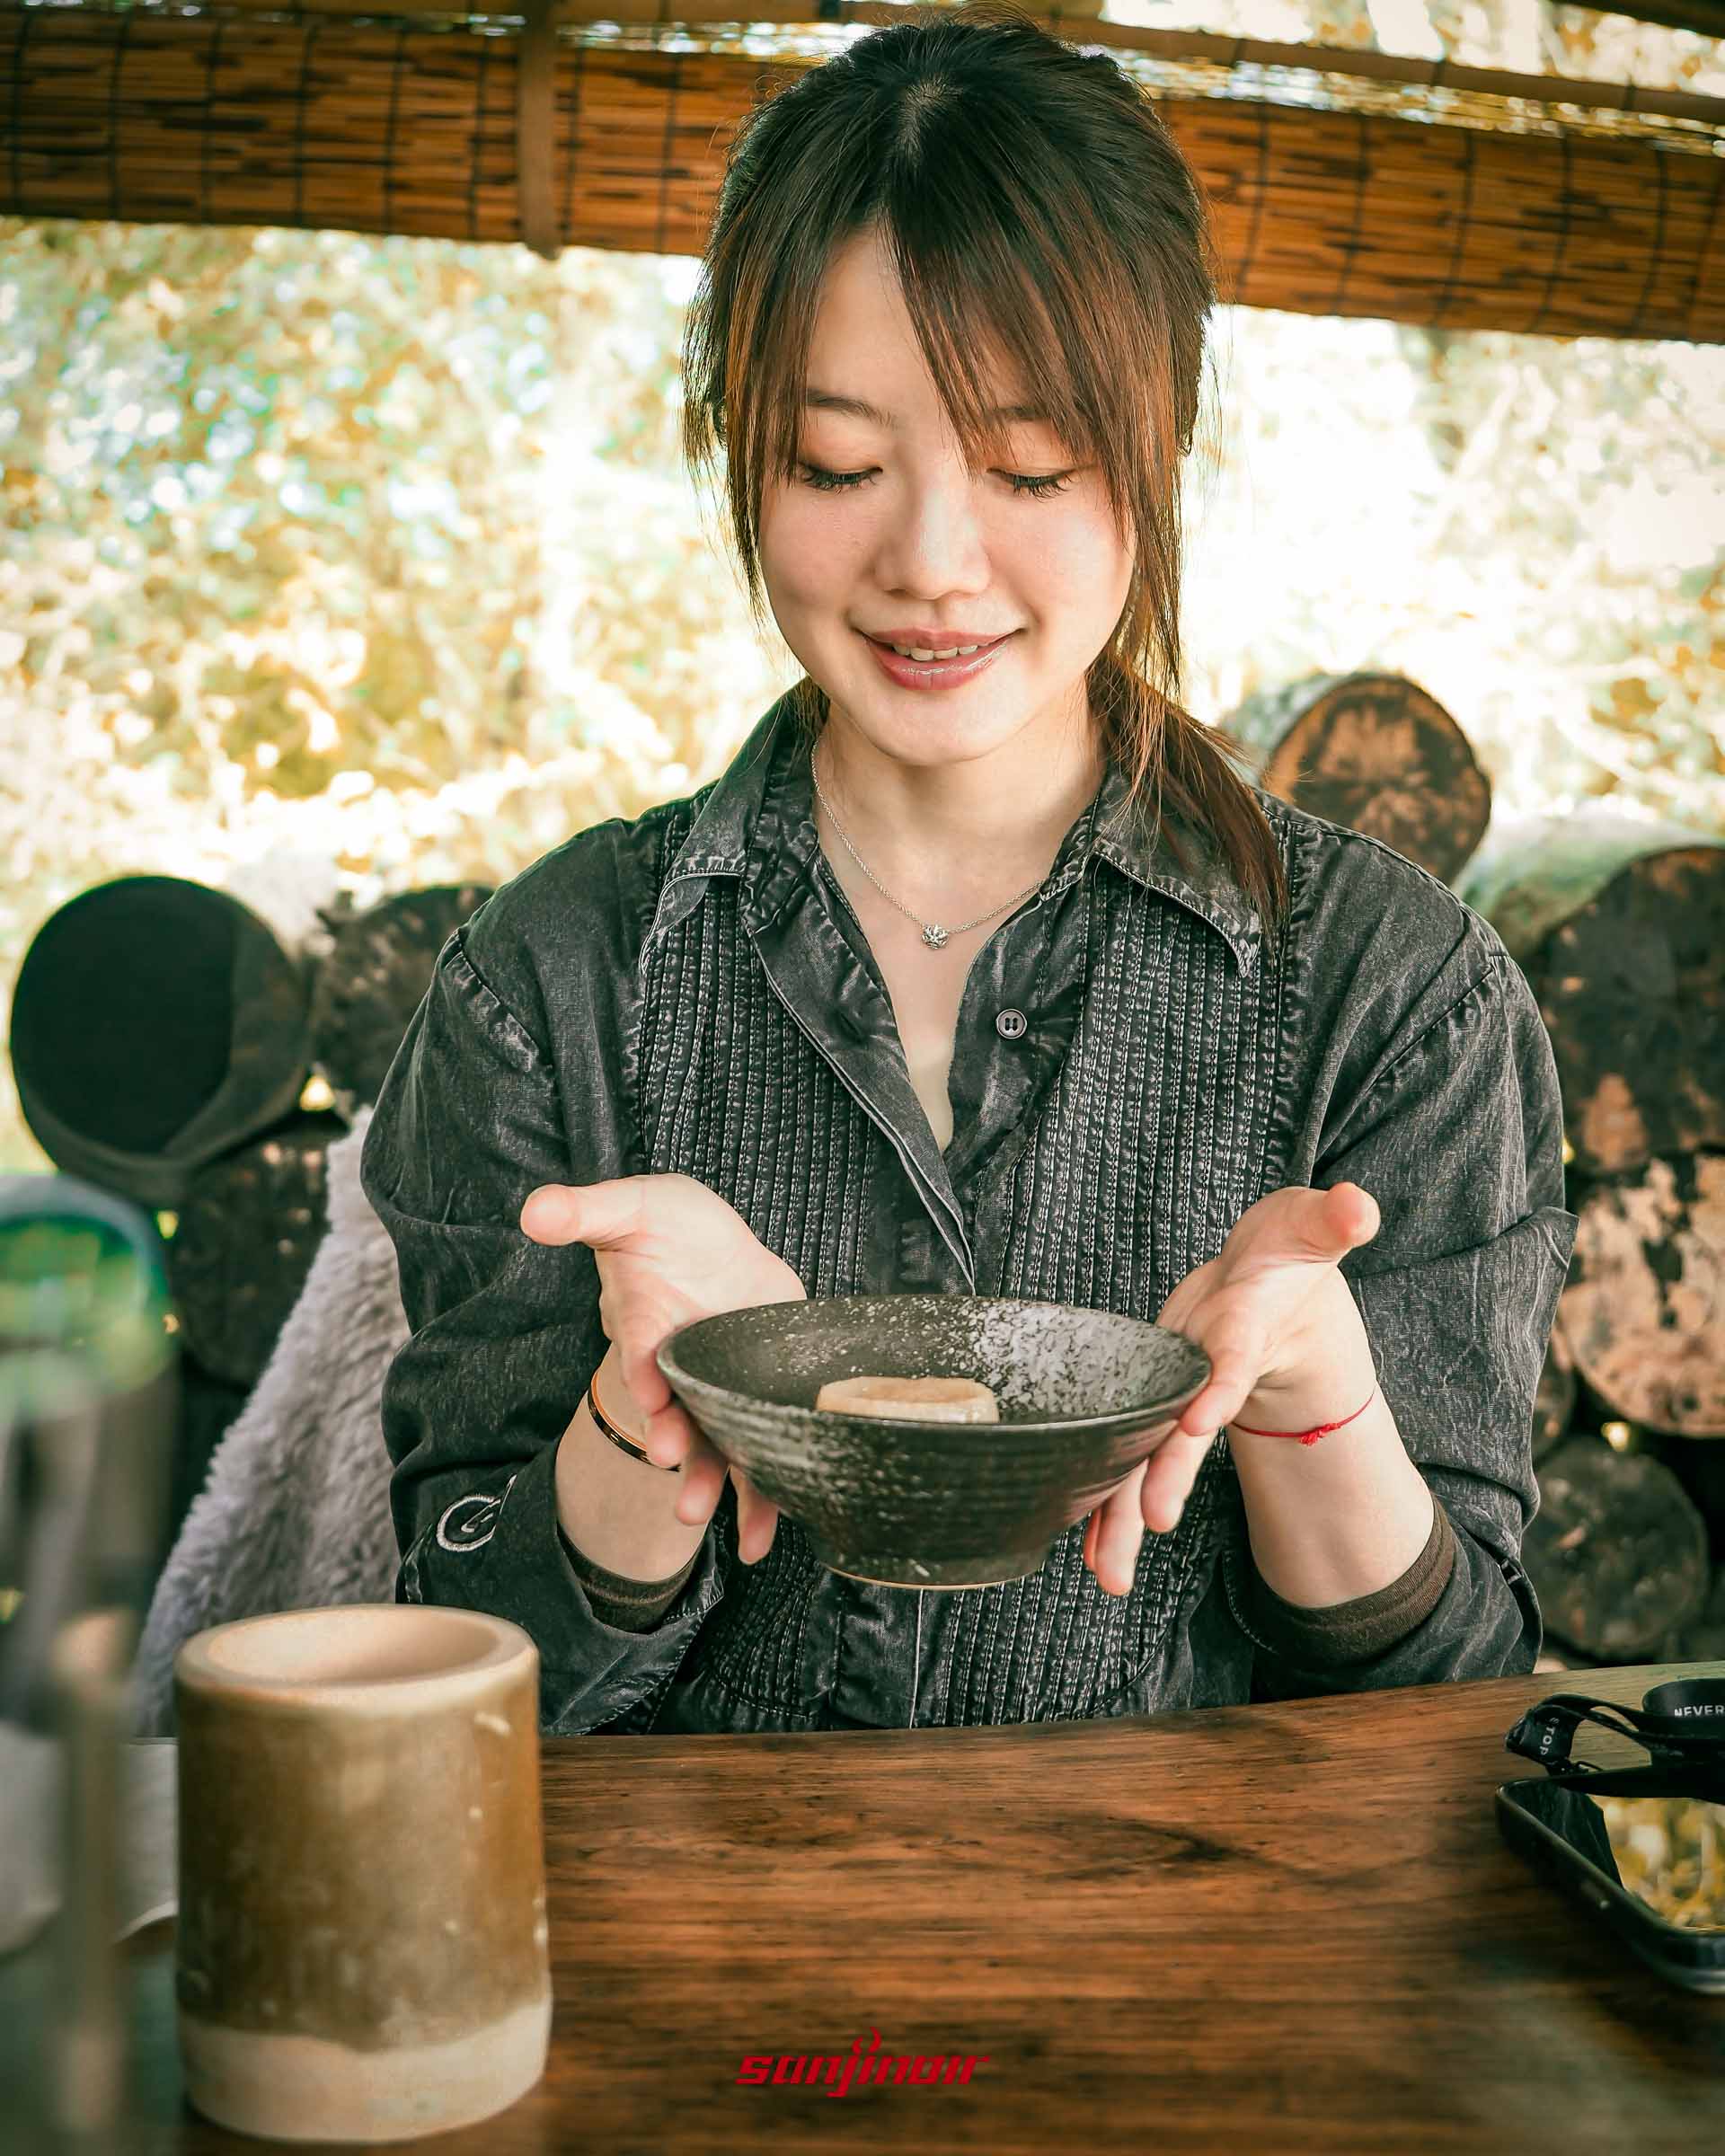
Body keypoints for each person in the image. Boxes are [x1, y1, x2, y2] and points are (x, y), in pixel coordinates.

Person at [359, 0, 1577, 1736]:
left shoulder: (1395, 995)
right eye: (837, 461)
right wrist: (640, 1422)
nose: (934, 562)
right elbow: (453, 1685)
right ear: (737, 444)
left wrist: (1313, 1404)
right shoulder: (548, 981)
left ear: (1153, 453)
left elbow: (1465, 1716)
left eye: (1028, 464)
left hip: (1199, 1987)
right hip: (693, 1994)